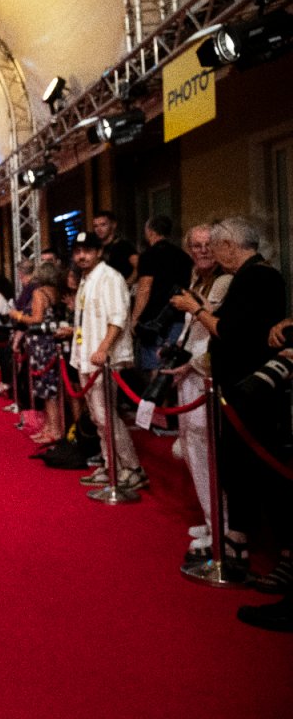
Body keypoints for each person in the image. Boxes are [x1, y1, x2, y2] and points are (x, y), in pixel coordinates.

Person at [171, 217, 290, 631]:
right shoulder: (250, 278)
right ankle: (239, 543)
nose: (212, 253)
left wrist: (197, 309)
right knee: (240, 470)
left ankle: (261, 552)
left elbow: (231, 332)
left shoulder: (258, 279)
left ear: (229, 245)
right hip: (236, 390)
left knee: (258, 472)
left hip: (251, 394)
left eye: (216, 245)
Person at [163, 224, 232, 560]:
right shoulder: (197, 279)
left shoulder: (225, 282)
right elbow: (192, 329)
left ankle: (222, 526)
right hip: (189, 372)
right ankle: (211, 519)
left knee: (207, 451)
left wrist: (192, 364)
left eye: (209, 245)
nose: (203, 251)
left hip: (206, 375)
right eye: (197, 245)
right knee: (192, 450)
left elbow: (216, 328)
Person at [61, 231, 144, 489]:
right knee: (98, 417)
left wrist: (104, 349)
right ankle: (111, 466)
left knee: (106, 415)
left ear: (99, 252)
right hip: (87, 356)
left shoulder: (110, 277)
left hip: (103, 359)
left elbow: (118, 317)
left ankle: (132, 468)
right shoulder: (86, 280)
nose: (81, 256)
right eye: (77, 251)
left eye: (87, 250)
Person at [130, 216, 192, 373]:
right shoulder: (184, 256)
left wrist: (135, 319)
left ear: (149, 232)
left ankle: (156, 398)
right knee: (173, 367)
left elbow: (144, 288)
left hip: (154, 321)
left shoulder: (148, 255)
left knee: (155, 368)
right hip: (178, 317)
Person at [11, 262, 63, 444]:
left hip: (41, 344)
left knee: (47, 390)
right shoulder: (55, 292)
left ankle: (53, 429)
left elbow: (37, 319)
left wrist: (17, 316)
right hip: (50, 342)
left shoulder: (39, 293)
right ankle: (50, 427)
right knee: (50, 389)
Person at [93, 210, 136, 283]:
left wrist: (126, 284)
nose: (99, 229)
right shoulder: (96, 247)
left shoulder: (123, 245)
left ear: (113, 225)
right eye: (95, 226)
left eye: (103, 225)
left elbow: (139, 267)